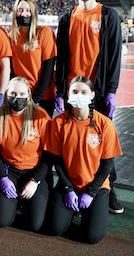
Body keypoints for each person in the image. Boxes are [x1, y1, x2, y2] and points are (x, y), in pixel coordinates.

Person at [55, 0, 123, 214]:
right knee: (71, 141)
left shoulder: (108, 16)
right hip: (73, 92)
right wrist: (60, 90)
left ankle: (107, 187)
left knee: (102, 144)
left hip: (98, 91)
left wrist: (112, 90)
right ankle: (68, 185)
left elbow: (114, 56)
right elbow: (61, 58)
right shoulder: (66, 19)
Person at [46, 76, 123, 244]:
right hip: (69, 184)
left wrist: (90, 193)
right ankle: (72, 209)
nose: (79, 95)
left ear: (92, 95)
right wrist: (68, 189)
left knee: (92, 237)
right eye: (74, 91)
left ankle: (88, 209)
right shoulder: (58, 123)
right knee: (54, 228)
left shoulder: (105, 124)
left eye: (83, 92)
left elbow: (108, 164)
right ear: (68, 94)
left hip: (95, 187)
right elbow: (57, 161)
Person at [0, 77, 51, 232]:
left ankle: (28, 200)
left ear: (29, 96)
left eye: (22, 93)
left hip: (35, 173)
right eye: (13, 94)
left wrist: (35, 181)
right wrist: (3, 177)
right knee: (1, 220)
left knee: (34, 224)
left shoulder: (41, 117)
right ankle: (14, 199)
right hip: (10, 171)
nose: (17, 98)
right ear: (6, 95)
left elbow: (49, 154)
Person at [10, 0, 57, 117]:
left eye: (28, 10)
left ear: (33, 13)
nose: (24, 14)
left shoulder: (44, 32)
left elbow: (48, 67)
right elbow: (11, 70)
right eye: (20, 10)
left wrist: (36, 97)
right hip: (20, 96)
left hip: (43, 96)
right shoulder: (12, 37)